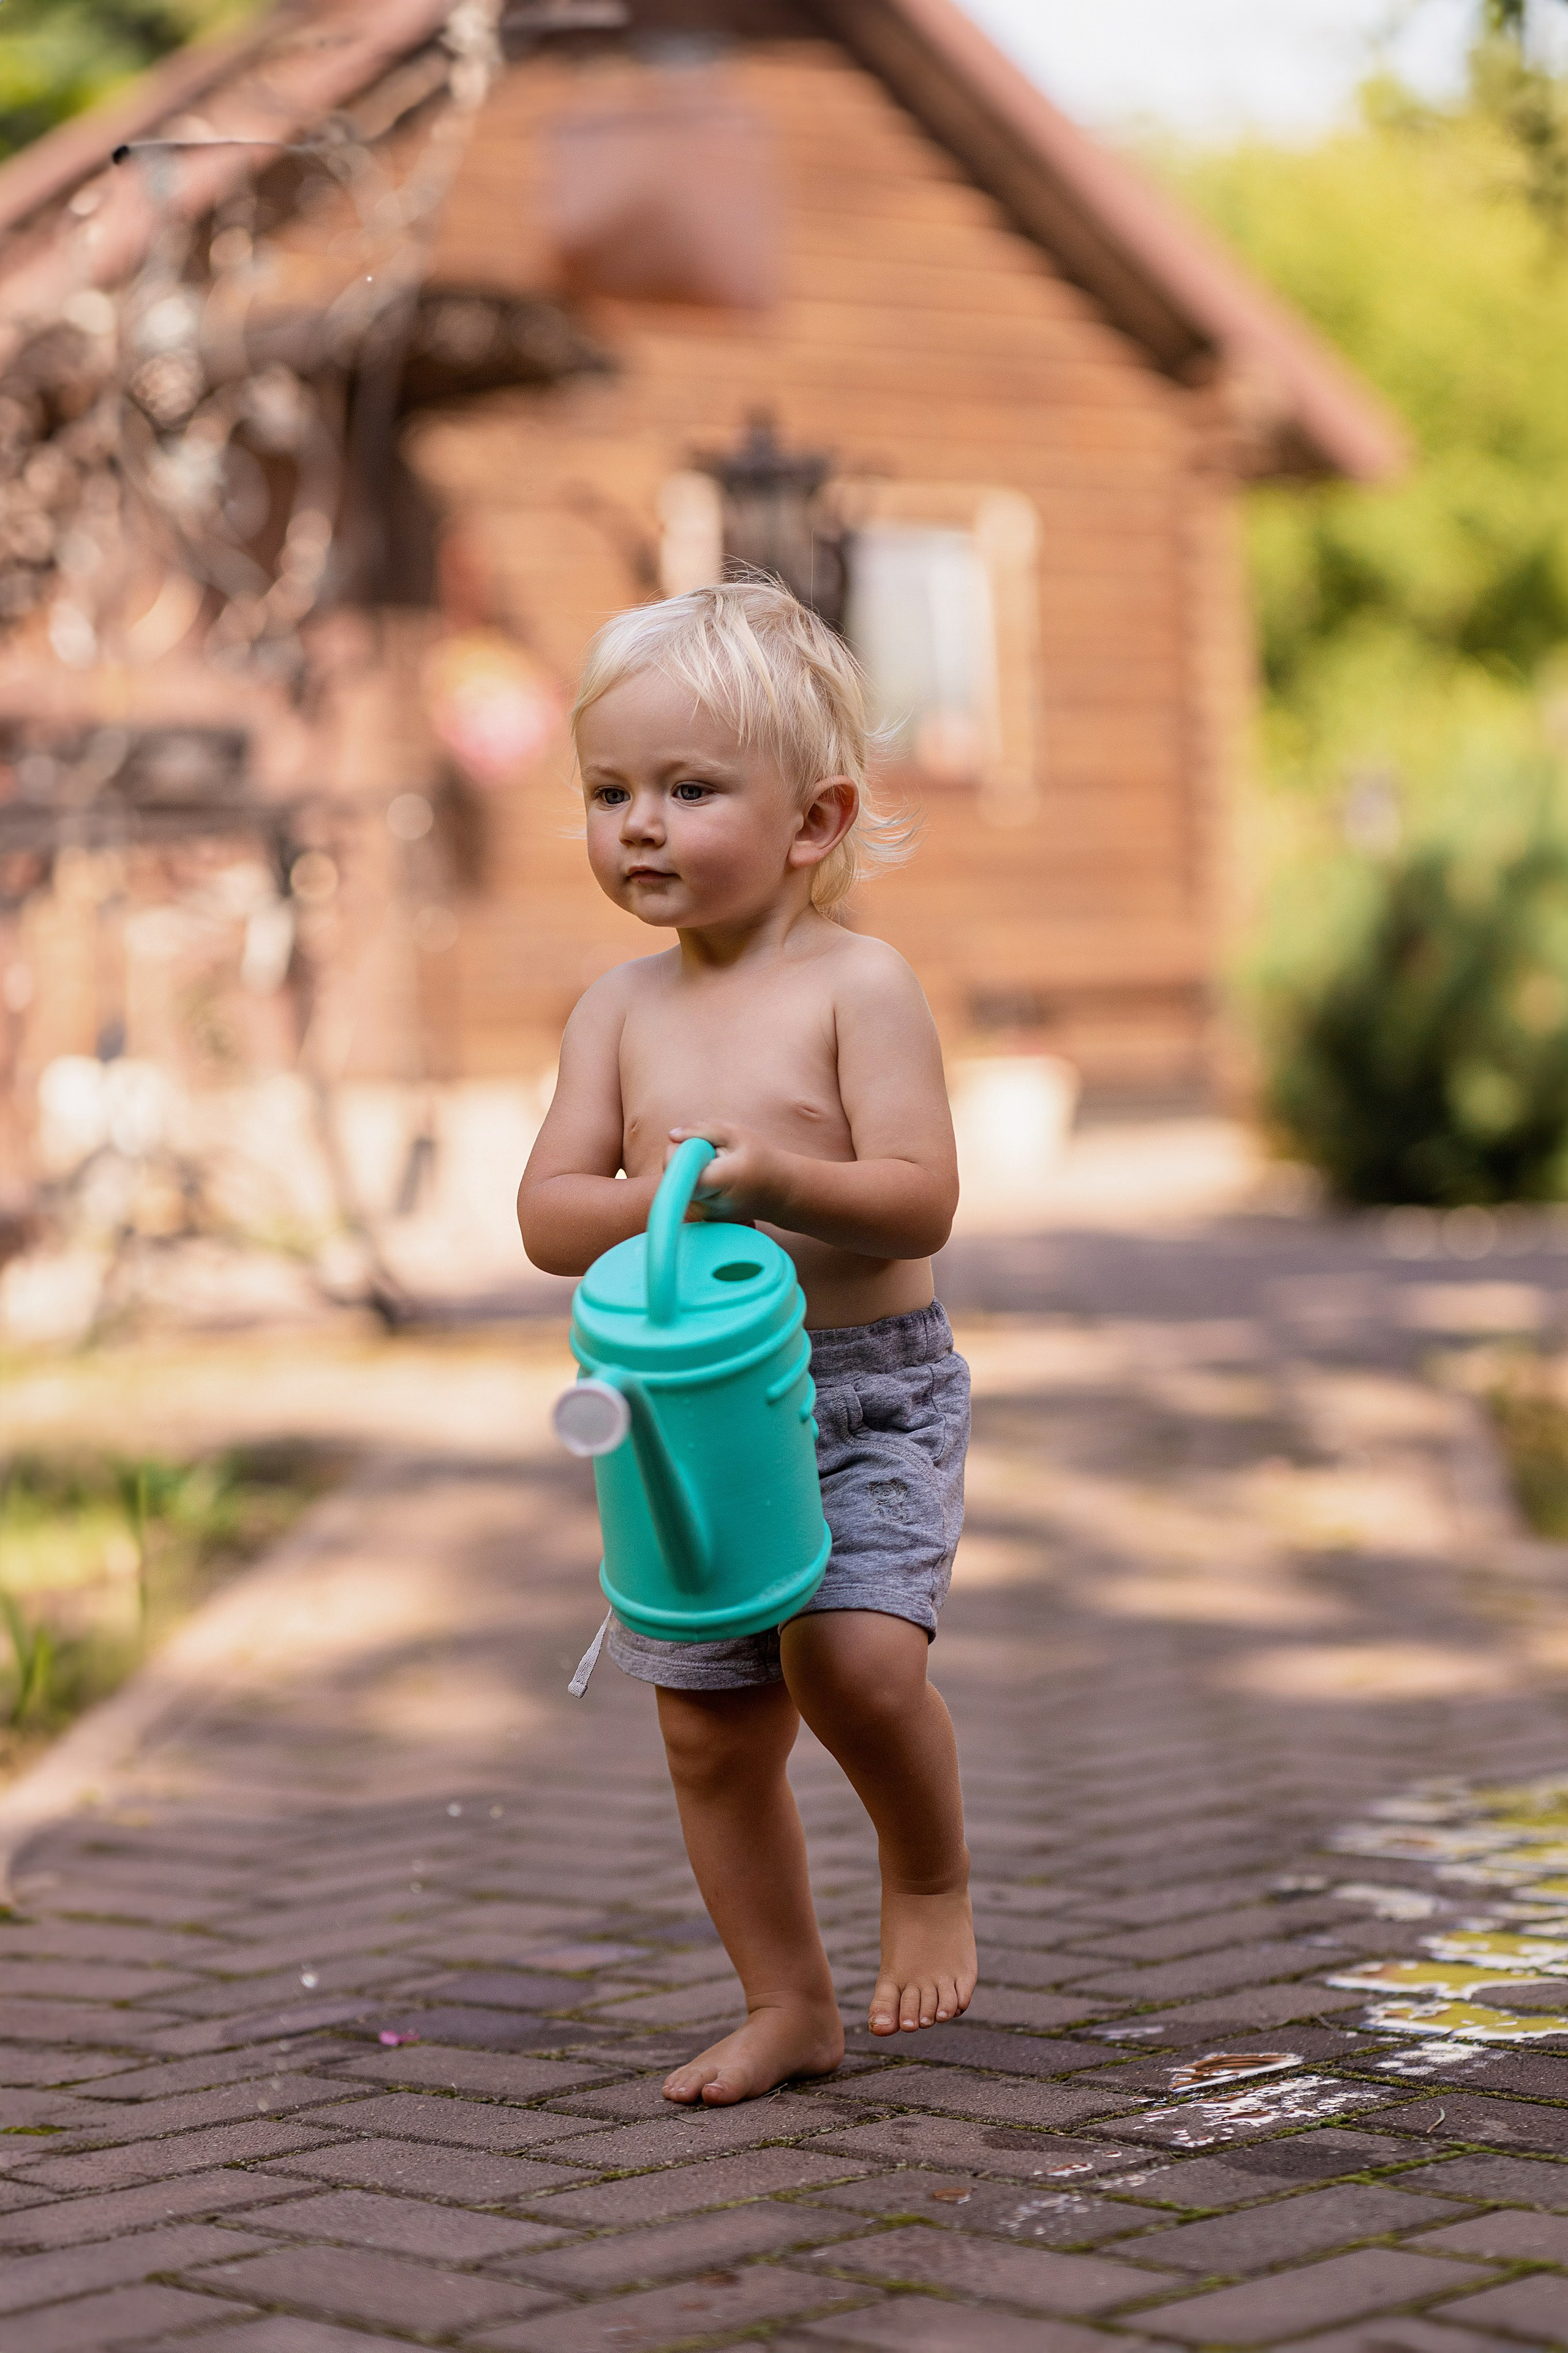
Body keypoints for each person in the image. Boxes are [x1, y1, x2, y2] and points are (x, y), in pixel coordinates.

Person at [517, 580, 974, 2106]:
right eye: (608, 793)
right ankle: (789, 2003)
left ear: (812, 819)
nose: (638, 825)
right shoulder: (615, 1011)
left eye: (689, 789)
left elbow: (918, 1200)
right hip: (688, 1420)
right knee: (710, 1735)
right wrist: (658, 1200)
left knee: (854, 1661)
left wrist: (778, 1181)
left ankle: (927, 1876)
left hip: (863, 1396)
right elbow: (548, 1214)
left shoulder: (858, 987)